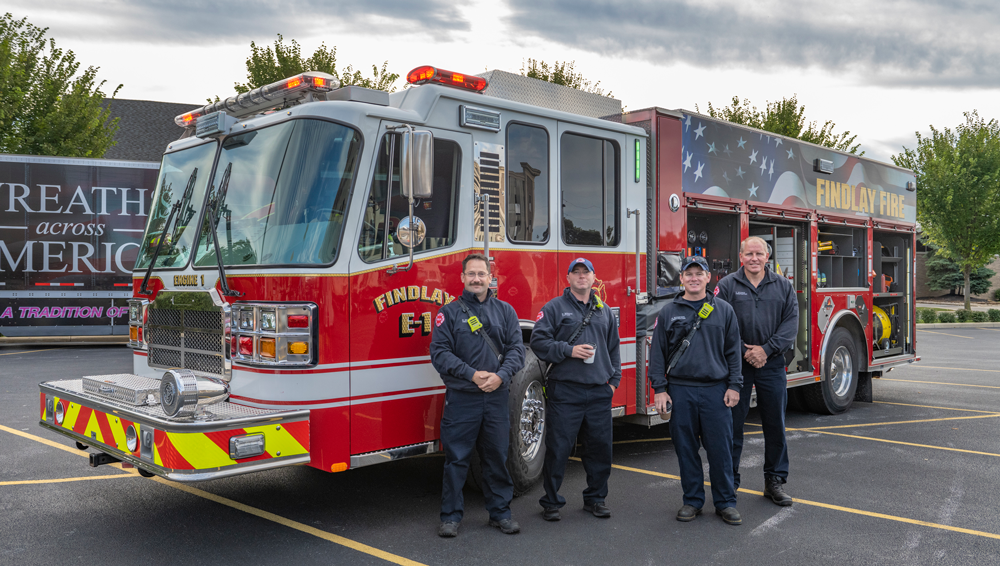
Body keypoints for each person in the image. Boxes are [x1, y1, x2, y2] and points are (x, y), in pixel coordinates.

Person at [429, 253, 526, 537]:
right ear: (462, 278)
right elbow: (439, 353)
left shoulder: (506, 312)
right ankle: (450, 517)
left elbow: (516, 351)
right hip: (462, 398)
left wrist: (500, 376)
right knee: (457, 459)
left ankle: (500, 514)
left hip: (496, 397)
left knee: (497, 457)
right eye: (471, 274)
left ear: (489, 277)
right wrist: (471, 374)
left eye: (481, 274)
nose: (476, 279)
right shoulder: (448, 313)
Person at [648, 255, 744, 525]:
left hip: (716, 391)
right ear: (681, 279)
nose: (693, 278)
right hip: (680, 391)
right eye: (688, 273)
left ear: (708, 278)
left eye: (698, 273)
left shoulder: (723, 310)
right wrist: (660, 389)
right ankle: (692, 501)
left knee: (720, 450)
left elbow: (734, 352)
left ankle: (725, 502)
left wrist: (735, 385)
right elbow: (657, 354)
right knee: (686, 449)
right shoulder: (668, 312)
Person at [530, 257, 621, 522]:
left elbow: (613, 348)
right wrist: (569, 350)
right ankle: (551, 502)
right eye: (576, 272)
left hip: (598, 393)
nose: (582, 277)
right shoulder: (554, 308)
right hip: (565, 391)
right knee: (558, 448)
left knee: (600, 450)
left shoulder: (604, 310)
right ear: (568, 278)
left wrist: (613, 382)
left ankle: (596, 499)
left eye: (586, 272)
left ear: (594, 278)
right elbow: (538, 342)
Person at [716, 236, 799, 507]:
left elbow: (790, 325)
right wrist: (745, 351)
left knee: (775, 426)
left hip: (772, 365)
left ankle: (774, 481)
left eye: (759, 254)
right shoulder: (727, 285)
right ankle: (730, 483)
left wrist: (766, 350)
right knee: (732, 427)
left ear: (767, 256)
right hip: (736, 368)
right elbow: (720, 324)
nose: (754, 258)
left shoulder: (784, 286)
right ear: (740, 257)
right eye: (749, 254)